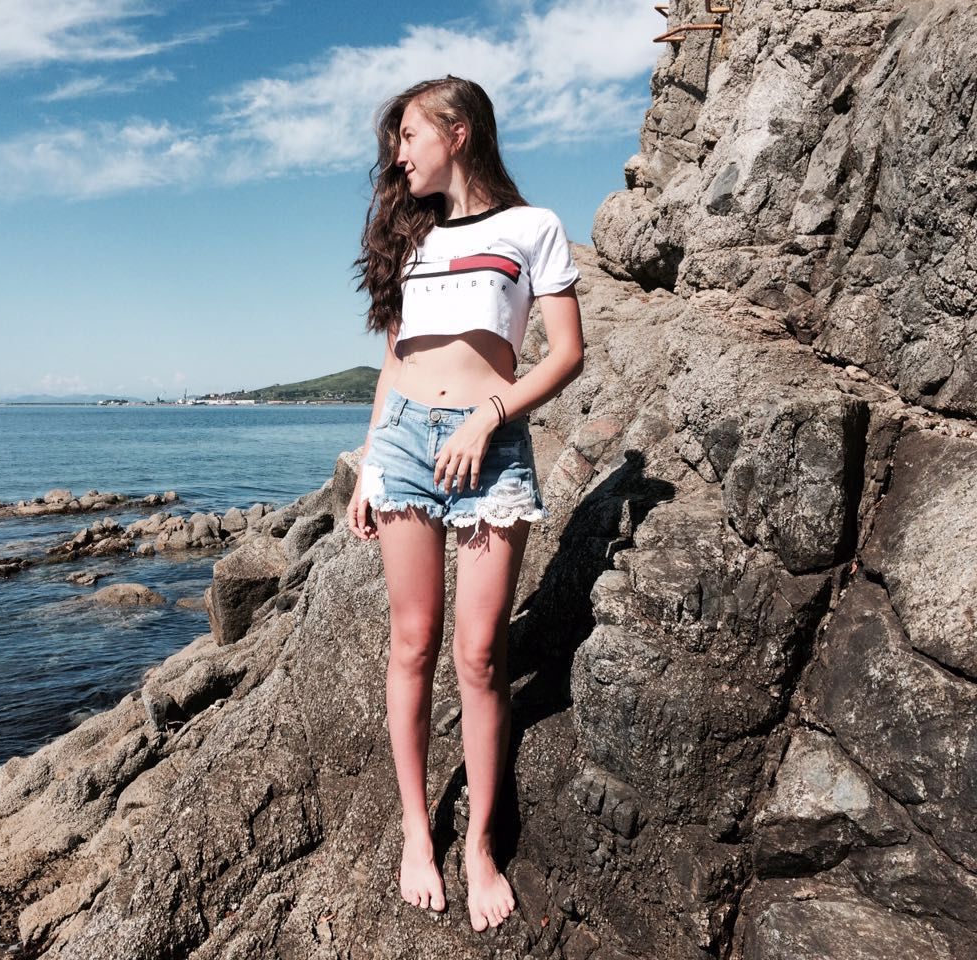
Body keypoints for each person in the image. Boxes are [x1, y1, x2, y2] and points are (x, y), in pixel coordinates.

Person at [346, 75, 585, 933]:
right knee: (410, 645)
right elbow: (395, 360)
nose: (397, 155)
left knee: (479, 654)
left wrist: (490, 415)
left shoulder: (532, 229)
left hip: (490, 445)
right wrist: (372, 464)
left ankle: (479, 842)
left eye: (408, 136)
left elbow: (566, 354)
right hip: (407, 441)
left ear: (459, 130)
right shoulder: (409, 240)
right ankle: (419, 828)